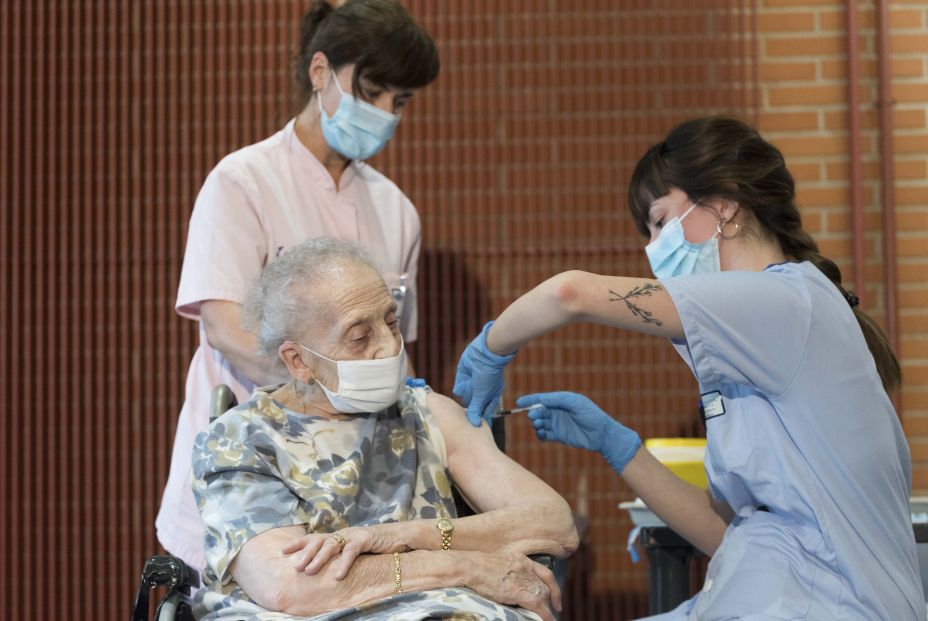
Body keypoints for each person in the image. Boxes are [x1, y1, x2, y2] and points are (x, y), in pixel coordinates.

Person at [453, 116, 924, 620]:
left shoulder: (785, 301)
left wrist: (490, 346)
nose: (652, 247)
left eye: (659, 221)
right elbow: (729, 532)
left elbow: (570, 293)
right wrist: (619, 447)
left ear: (723, 207)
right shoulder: (747, 346)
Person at [157, 0, 440, 571]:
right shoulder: (242, 182)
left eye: (400, 102)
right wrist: (333, 396)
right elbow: (224, 324)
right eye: (373, 92)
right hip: (253, 463)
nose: (386, 113)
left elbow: (392, 344)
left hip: (363, 483)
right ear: (320, 73)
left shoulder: (397, 211)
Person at [191, 237, 578, 621]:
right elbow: (292, 586)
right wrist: (464, 566)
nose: (388, 347)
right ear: (298, 361)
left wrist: (405, 536)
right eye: (360, 337)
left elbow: (553, 522)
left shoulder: (426, 412)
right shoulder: (240, 441)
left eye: (391, 323)